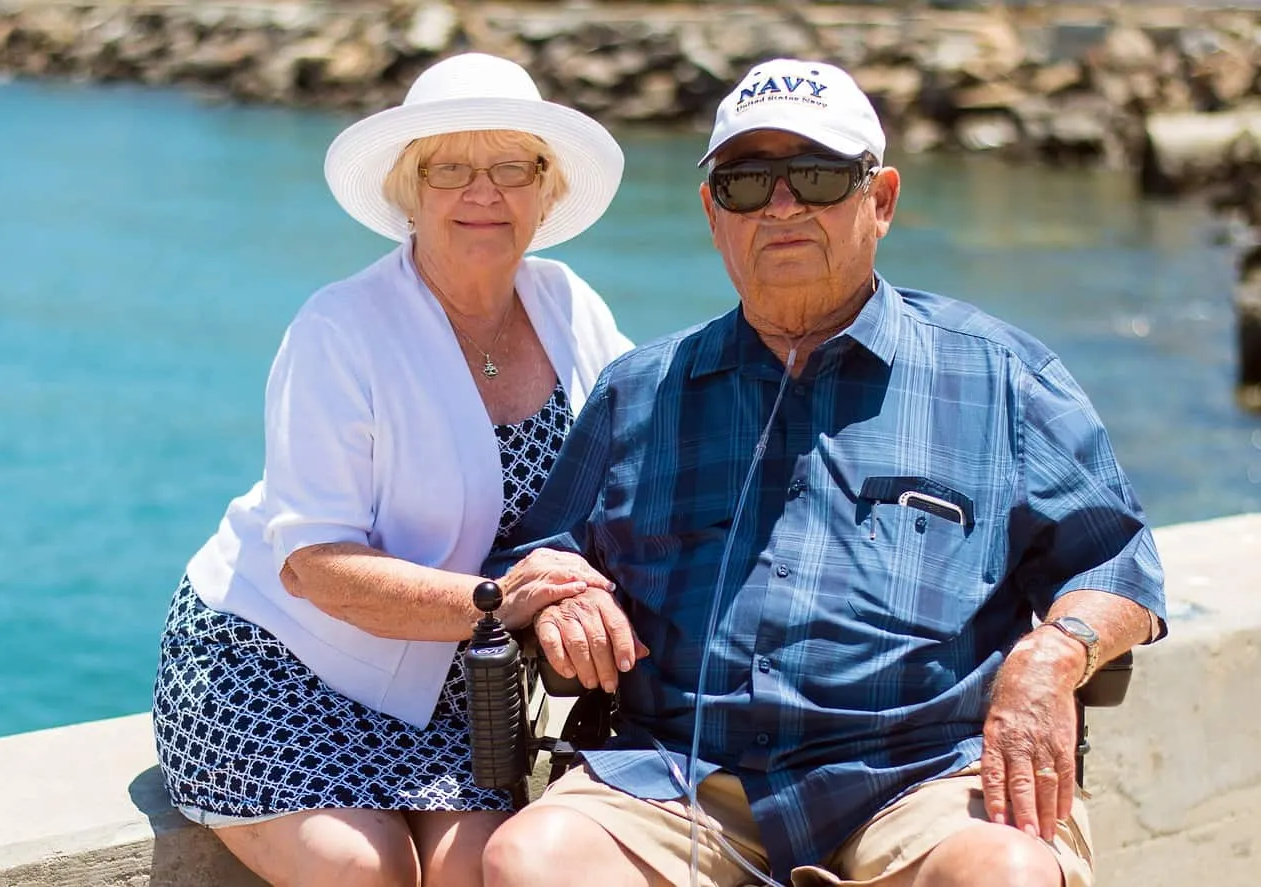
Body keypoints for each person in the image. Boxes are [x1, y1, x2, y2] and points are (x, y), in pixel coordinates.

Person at [480, 58, 1166, 887]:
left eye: (816, 176)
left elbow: (1117, 562)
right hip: (677, 776)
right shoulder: (640, 390)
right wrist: (561, 585)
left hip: (924, 776)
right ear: (712, 212)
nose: (782, 206)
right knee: (531, 858)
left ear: (880, 201)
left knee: (1005, 873)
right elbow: (537, 553)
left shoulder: (1000, 375)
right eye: (746, 182)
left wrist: (1052, 656)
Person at [151, 52, 630, 887]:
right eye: (451, 168)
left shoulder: (572, 307)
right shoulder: (340, 328)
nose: (484, 193)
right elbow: (313, 566)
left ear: (546, 190)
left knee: (483, 870)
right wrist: (497, 602)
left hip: (446, 685)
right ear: (410, 192)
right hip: (271, 663)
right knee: (365, 869)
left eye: (511, 166)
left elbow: (640, 472)